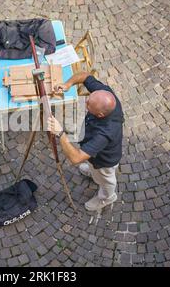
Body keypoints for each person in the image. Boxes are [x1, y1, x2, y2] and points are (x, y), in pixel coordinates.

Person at [47, 71, 124, 211]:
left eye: (88, 105)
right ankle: (92, 169)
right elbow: (85, 76)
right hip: (93, 152)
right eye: (88, 99)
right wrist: (68, 84)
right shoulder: (104, 94)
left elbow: (76, 158)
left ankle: (107, 197)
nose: (85, 103)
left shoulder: (105, 133)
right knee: (93, 168)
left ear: (100, 114)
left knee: (106, 180)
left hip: (104, 161)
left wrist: (60, 133)